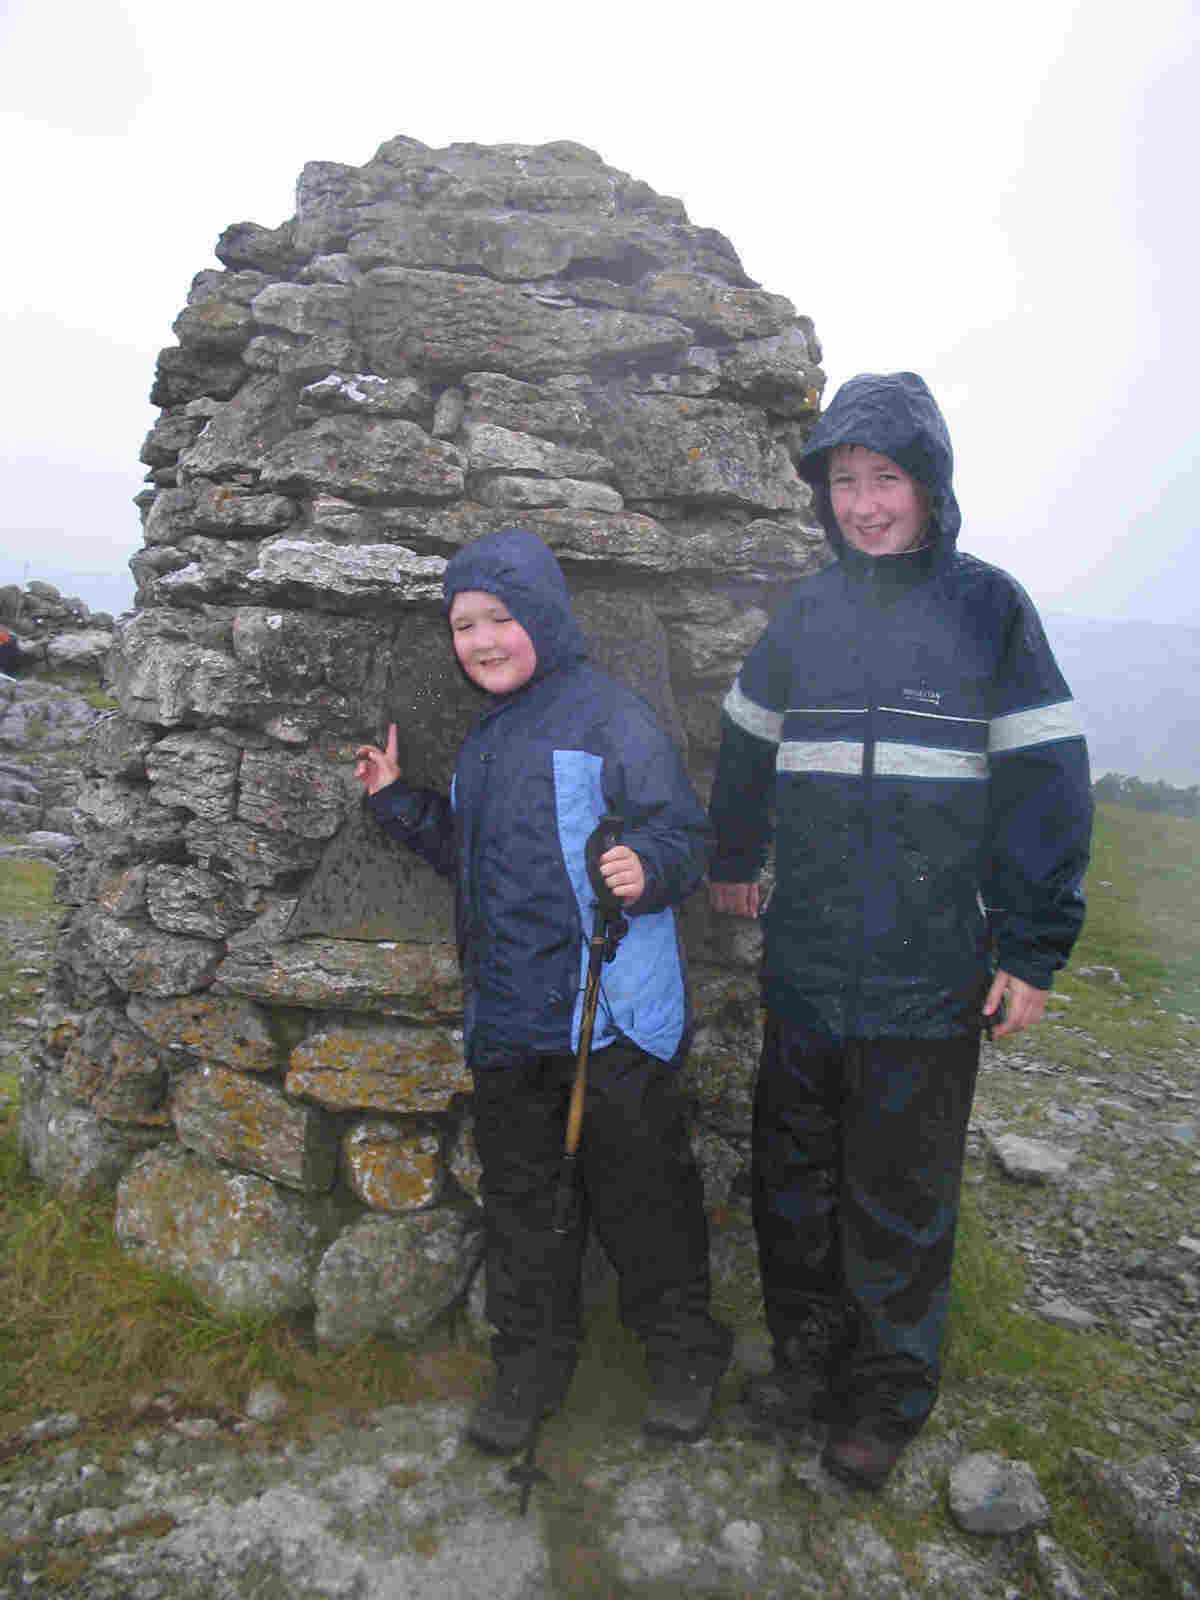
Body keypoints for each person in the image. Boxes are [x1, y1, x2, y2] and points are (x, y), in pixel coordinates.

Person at [708, 372, 1092, 1490]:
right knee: (795, 1177)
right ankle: (808, 1358)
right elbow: (745, 740)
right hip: (810, 962)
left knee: (902, 1194)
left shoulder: (990, 610)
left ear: (930, 485)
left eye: (887, 478)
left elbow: (1046, 783)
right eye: (845, 481)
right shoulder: (808, 614)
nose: (865, 504)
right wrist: (732, 856)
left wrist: (1032, 947)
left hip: (930, 973)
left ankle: (884, 1396)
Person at [355, 528, 731, 1452]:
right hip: (512, 1022)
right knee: (526, 1208)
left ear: (545, 619)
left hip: (612, 1022)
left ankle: (683, 1359)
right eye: (464, 625)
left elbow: (685, 834)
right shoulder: (483, 744)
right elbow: (474, 858)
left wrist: (652, 864)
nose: (482, 641)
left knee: (644, 1199)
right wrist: (398, 803)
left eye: (500, 619)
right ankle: (529, 1369)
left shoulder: (612, 717)